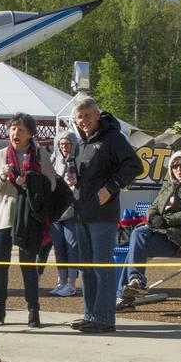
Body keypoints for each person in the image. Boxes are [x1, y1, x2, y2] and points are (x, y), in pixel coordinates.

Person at [67, 95, 140, 334]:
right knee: (86, 267)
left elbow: (134, 166)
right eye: (80, 117)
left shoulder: (113, 138)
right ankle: (91, 315)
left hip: (103, 216)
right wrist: (73, 176)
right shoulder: (79, 142)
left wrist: (111, 187)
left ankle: (106, 319)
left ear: (98, 115)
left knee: (101, 266)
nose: (84, 120)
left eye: (88, 115)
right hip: (81, 213)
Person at [0, 113, 57, 328]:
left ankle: (33, 311)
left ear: (30, 134)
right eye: (13, 129)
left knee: (28, 265)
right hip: (3, 218)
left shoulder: (40, 155)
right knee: (0, 265)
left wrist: (30, 181)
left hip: (28, 219)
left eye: (21, 129)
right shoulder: (0, 156)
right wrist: (2, 177)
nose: (16, 133)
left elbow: (51, 184)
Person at [116, 150, 181, 311]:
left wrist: (167, 220)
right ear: (171, 170)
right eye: (175, 166)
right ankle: (135, 283)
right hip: (159, 233)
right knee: (137, 237)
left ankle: (126, 296)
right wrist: (153, 217)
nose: (179, 169)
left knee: (135, 245)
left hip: (179, 238)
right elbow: (153, 207)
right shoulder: (167, 186)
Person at [48, 130, 80, 297]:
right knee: (59, 247)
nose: (64, 147)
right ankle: (61, 280)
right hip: (56, 211)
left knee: (72, 247)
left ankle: (72, 283)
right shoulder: (53, 160)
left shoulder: (79, 161)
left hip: (72, 211)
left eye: (67, 144)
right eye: (61, 144)